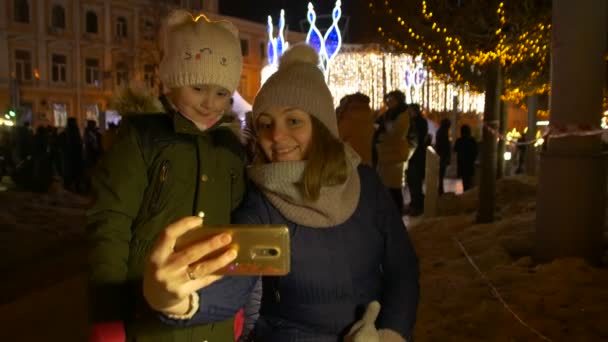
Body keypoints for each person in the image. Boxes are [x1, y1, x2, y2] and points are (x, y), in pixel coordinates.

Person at [87, 10, 257, 341]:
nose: (211, 103)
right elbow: (110, 224)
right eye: (198, 88)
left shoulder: (230, 149)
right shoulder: (141, 138)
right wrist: (108, 314)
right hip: (148, 316)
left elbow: (236, 229)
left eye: (222, 93)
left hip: (212, 317)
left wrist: (233, 306)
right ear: (173, 80)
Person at [236, 45, 419, 341]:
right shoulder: (260, 200)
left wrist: (391, 331)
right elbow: (229, 285)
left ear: (321, 124)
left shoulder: (365, 183)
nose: (277, 136)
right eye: (265, 124)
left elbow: (402, 267)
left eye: (293, 120)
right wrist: (182, 301)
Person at [374, 90, 412, 213]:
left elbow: (396, 134)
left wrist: (383, 134)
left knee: (394, 187)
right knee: (386, 186)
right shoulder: (387, 114)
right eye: (388, 100)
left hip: (395, 154)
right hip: (385, 153)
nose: (389, 102)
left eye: (392, 100)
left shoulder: (402, 115)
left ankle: (396, 213)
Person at [336, 92, 375, 166]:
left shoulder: (348, 116)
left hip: (351, 161)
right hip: (366, 160)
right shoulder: (368, 114)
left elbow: (337, 136)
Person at [405, 104, 428, 216]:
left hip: (415, 156)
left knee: (415, 182)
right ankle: (415, 204)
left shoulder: (415, 123)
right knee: (414, 182)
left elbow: (416, 139)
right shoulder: (420, 122)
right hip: (416, 156)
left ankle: (417, 205)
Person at [453, 124, 478, 191]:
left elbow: (455, 149)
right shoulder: (472, 140)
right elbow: (476, 151)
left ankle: (466, 191)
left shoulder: (459, 141)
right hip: (470, 163)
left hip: (462, 163)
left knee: (465, 180)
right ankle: (468, 192)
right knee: (470, 180)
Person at [434, 118, 451, 194]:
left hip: (441, 155)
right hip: (442, 156)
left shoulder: (440, 132)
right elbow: (445, 146)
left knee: (440, 174)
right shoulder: (443, 133)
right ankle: (440, 189)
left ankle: (440, 189)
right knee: (441, 174)